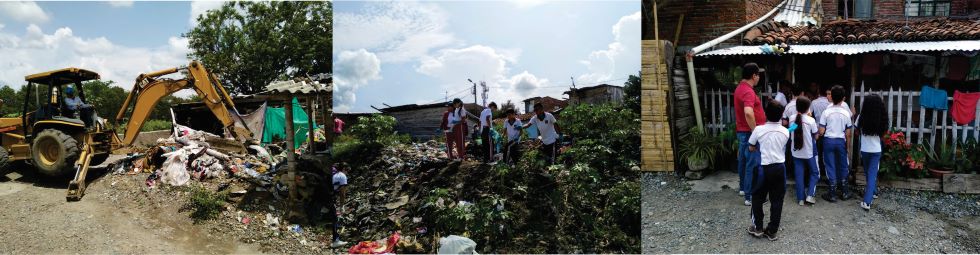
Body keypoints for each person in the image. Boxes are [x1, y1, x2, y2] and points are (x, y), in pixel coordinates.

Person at [746, 100, 789, 241]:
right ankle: (772, 231)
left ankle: (757, 227)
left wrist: (759, 147)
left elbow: (751, 147)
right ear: (781, 115)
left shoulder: (758, 130)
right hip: (779, 168)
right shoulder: (785, 132)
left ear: (765, 113)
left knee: (757, 197)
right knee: (777, 200)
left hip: (762, 168)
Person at [734, 62, 766, 206]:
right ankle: (750, 195)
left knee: (743, 161)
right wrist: (755, 132)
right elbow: (748, 112)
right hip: (749, 132)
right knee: (752, 165)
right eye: (758, 75)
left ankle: (743, 188)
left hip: (742, 131)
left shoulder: (740, 88)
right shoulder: (748, 91)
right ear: (754, 76)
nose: (759, 78)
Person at [818, 85, 853, 202]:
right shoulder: (846, 113)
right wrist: (847, 147)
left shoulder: (826, 112)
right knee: (843, 165)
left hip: (828, 141)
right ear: (843, 98)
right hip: (840, 141)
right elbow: (848, 134)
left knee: (830, 165)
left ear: (831, 97)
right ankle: (845, 192)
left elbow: (821, 131)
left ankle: (832, 194)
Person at [856, 94, 888, 211]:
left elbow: (857, 131)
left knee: (868, 173)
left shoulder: (861, 117)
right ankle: (871, 195)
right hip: (876, 150)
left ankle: (867, 200)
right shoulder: (882, 118)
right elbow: (883, 134)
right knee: (872, 174)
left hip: (864, 149)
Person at [788, 97, 819, 206]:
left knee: (799, 175)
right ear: (808, 108)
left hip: (796, 152)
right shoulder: (811, 120)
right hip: (809, 152)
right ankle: (810, 195)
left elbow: (790, 131)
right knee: (815, 173)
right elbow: (816, 136)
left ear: (796, 107)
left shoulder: (792, 118)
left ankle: (800, 199)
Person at [331, 163, 349, 248]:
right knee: (334, 219)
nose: (347, 173)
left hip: (326, 196)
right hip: (329, 198)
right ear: (344, 168)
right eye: (348, 170)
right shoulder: (342, 176)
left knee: (332, 217)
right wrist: (342, 206)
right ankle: (335, 241)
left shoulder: (335, 175)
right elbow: (342, 193)